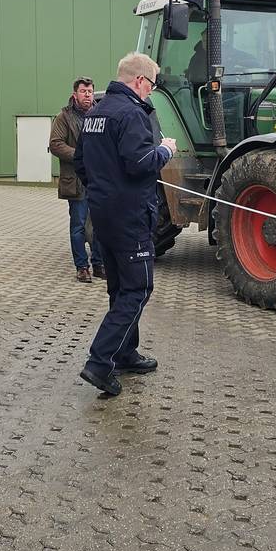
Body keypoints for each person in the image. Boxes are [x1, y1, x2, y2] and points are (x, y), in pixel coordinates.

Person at [74, 53, 177, 396]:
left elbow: (81, 163)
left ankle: (125, 352)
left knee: (119, 289)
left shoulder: (95, 113)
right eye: (151, 85)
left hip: (103, 213)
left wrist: (103, 191)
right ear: (138, 81)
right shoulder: (132, 113)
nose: (151, 92)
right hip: (131, 215)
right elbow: (140, 163)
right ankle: (100, 362)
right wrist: (165, 150)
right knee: (138, 289)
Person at [49, 76, 105, 283]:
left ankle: (99, 265)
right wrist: (81, 156)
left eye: (90, 91)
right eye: (83, 91)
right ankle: (82, 267)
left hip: (97, 180)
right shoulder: (64, 117)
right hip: (76, 180)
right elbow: (55, 144)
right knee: (79, 226)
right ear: (75, 94)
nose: (87, 95)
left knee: (100, 224)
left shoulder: (100, 114)